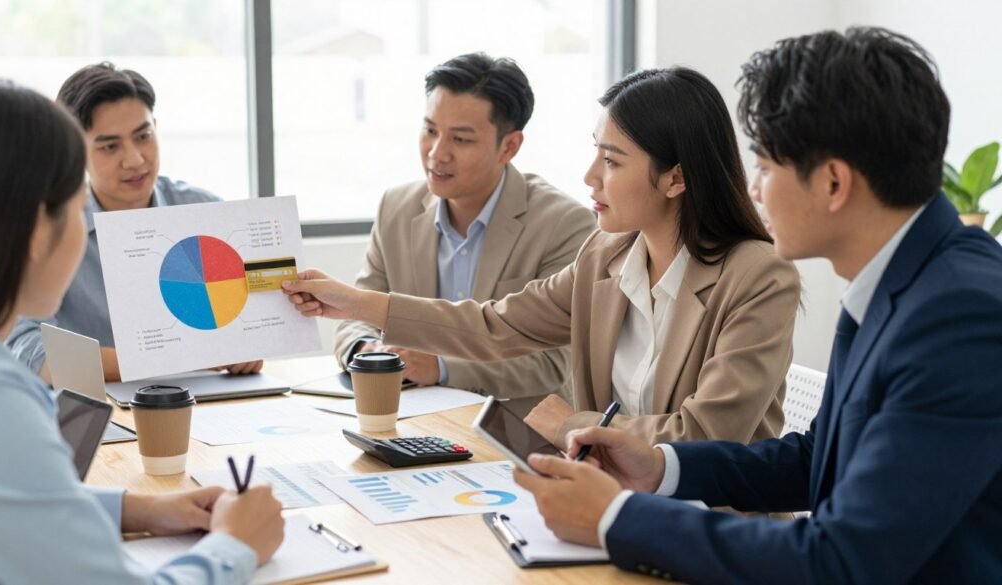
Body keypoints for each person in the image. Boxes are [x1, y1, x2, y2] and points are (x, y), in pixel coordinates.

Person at [510, 27, 1002, 584]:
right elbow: (817, 459)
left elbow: (845, 559)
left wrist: (618, 517)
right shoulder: (899, 276)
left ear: (834, 183)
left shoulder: (959, 316)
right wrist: (661, 468)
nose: (754, 189)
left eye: (765, 167)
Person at [284, 67, 801, 448]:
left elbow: (707, 434)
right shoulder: (605, 257)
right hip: (607, 504)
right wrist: (352, 304)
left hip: (709, 527)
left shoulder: (759, 278)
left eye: (612, 160)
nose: (590, 177)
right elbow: (492, 327)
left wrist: (572, 425)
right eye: (595, 151)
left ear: (677, 177)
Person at [0, 79, 284, 583]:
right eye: (75, 201)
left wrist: (141, 511)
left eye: (143, 136)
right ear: (39, 230)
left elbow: (10, 502)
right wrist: (236, 546)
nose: (133, 160)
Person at [335, 53, 594, 398]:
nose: (437, 154)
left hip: (512, 432)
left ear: (509, 146)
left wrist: (440, 367)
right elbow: (359, 313)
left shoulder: (563, 224)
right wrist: (366, 350)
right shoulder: (396, 208)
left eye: (460, 139)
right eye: (430, 131)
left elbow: (552, 363)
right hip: (410, 419)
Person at [6, 62, 262, 383]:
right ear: (74, 150)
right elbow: (28, 350)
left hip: (213, 398)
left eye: (143, 136)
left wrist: (249, 345)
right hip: (104, 410)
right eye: (110, 146)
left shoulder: (204, 210)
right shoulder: (53, 229)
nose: (135, 159)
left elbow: (251, 322)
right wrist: (177, 356)